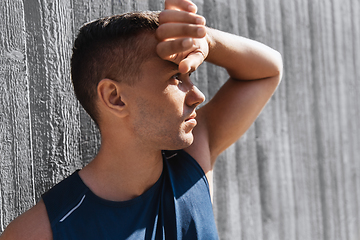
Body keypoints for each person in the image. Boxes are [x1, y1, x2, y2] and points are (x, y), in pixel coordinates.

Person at [0, 0, 282, 239]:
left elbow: (268, 70)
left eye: (189, 76)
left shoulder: (190, 165)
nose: (197, 95)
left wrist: (206, 39)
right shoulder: (43, 230)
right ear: (115, 97)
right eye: (175, 78)